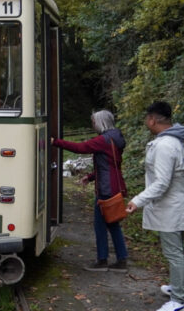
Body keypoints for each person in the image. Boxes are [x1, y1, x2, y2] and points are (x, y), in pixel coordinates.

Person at [125, 101, 184, 311]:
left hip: (171, 207)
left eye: (147, 119)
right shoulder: (183, 138)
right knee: (178, 250)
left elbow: (161, 183)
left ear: (153, 120)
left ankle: (178, 300)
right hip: (181, 202)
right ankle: (177, 286)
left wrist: (137, 201)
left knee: (174, 253)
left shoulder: (165, 145)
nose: (146, 123)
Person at [52, 110, 129, 271]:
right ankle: (121, 260)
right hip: (115, 184)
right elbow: (108, 165)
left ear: (101, 122)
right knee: (113, 223)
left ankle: (102, 260)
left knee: (100, 225)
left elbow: (80, 147)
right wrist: (91, 177)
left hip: (106, 189)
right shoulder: (116, 137)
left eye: (94, 122)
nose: (92, 125)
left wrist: (55, 142)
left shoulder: (103, 140)